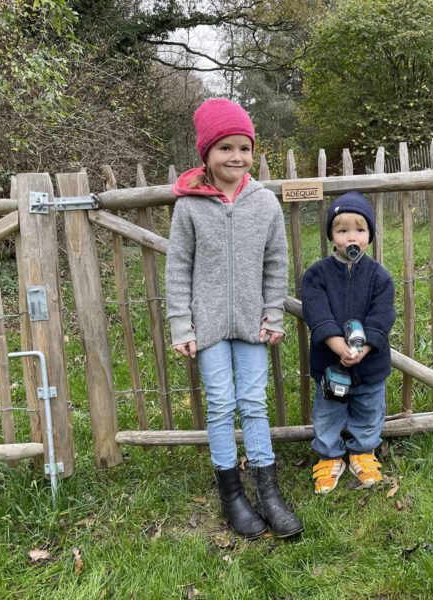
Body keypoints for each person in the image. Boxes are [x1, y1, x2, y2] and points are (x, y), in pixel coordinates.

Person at [165, 98, 302, 538]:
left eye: (244, 147)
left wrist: (273, 314)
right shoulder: (188, 207)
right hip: (206, 326)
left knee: (254, 403)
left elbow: (276, 262)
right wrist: (181, 325)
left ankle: (268, 492)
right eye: (225, 148)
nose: (236, 157)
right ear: (206, 153)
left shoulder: (264, 204)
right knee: (221, 405)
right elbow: (178, 268)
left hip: (252, 324)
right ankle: (231, 494)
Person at [301, 192, 396, 494]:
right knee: (327, 412)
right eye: (342, 230)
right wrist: (335, 343)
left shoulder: (380, 277)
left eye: (359, 229)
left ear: (370, 235)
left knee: (369, 408)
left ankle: (362, 452)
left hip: (369, 364)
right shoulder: (317, 275)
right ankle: (330, 457)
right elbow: (316, 310)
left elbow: (382, 316)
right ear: (331, 234)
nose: (351, 237)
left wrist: (364, 347)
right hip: (331, 363)